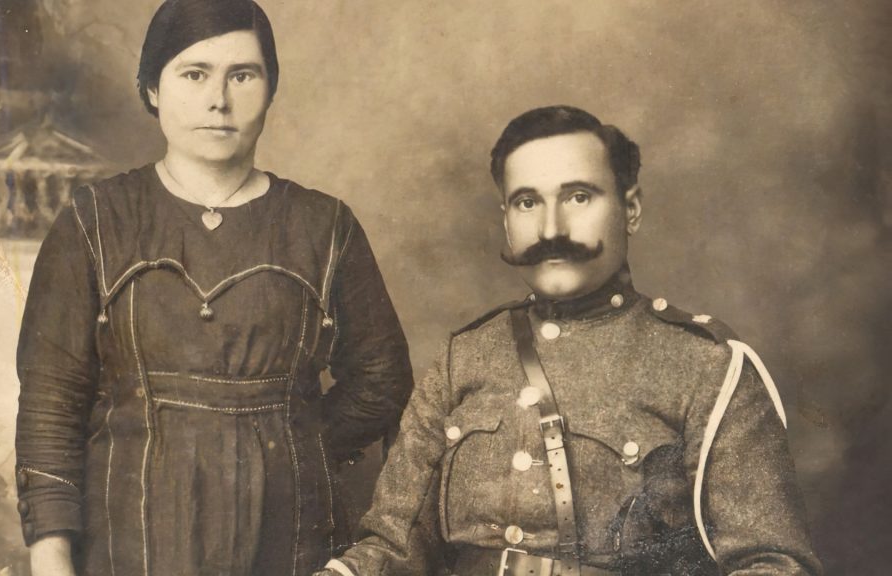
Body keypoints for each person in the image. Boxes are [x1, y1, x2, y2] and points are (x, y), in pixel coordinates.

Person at [317, 106, 822, 575]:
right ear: (507, 221)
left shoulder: (704, 366)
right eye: (527, 202)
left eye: (579, 196)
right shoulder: (463, 358)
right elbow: (391, 548)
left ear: (631, 209)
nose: (551, 228)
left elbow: (774, 563)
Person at [13, 1, 414, 575]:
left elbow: (382, 380)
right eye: (194, 74)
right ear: (153, 88)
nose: (218, 100)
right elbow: (49, 406)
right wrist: (52, 563)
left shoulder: (325, 227)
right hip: (126, 545)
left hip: (290, 544)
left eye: (242, 75)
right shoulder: (94, 221)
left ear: (271, 89)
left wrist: (290, 446)